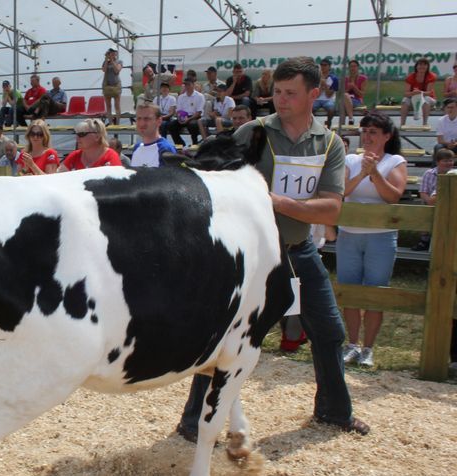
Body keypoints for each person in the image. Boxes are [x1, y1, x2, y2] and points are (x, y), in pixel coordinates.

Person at [177, 56, 370, 442]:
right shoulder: (254, 131)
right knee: (226, 338)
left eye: (290, 93)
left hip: (299, 250)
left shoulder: (329, 143)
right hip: (250, 259)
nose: (280, 100)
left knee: (329, 332)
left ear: (314, 94)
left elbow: (333, 205)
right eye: (277, 92)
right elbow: (215, 178)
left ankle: (334, 411)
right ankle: (194, 420)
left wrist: (277, 203)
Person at [338, 112, 407, 367]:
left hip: (380, 237)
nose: (367, 136)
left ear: (386, 136)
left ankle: (369, 348)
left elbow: (393, 197)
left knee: (376, 292)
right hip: (349, 235)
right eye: (364, 131)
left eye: (373, 132)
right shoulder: (350, 159)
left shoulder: (395, 161)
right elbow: (342, 191)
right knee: (351, 291)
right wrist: (361, 173)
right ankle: (352, 344)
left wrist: (375, 173)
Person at [412, 148, 454, 251]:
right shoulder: (429, 173)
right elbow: (423, 192)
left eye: (451, 160)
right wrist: (430, 202)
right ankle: (424, 241)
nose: (449, 163)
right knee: (424, 211)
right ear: (437, 162)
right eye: (445, 160)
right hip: (431, 203)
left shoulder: (454, 174)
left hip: (450, 205)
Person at [130, 103, 176, 168]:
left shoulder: (165, 149)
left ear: (159, 121)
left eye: (147, 119)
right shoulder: (137, 148)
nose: (142, 123)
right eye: (139, 118)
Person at [168, 72, 206, 146]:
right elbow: (178, 110)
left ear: (193, 85)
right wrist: (179, 118)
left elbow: (199, 112)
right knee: (171, 125)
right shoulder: (181, 97)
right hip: (183, 116)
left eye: (189, 84)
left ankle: (194, 144)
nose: (187, 86)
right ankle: (180, 144)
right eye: (185, 85)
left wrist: (188, 119)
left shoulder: (199, 96)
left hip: (194, 117)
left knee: (192, 125)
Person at [400, 58, 437, 127]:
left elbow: (429, 93)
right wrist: (414, 93)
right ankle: (402, 124)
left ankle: (425, 124)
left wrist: (419, 92)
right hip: (414, 98)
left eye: (424, 65)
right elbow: (406, 93)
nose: (422, 67)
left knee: (426, 99)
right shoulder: (410, 77)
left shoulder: (431, 76)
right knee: (405, 100)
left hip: (428, 98)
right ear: (416, 66)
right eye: (420, 64)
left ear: (427, 66)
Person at [312, 58, 338, 128]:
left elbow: (329, 95)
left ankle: (328, 123)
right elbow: (316, 95)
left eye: (325, 65)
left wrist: (325, 85)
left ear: (329, 66)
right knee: (310, 109)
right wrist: (321, 86)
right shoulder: (316, 78)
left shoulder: (334, 79)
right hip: (317, 100)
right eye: (321, 65)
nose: (323, 67)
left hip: (328, 100)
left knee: (331, 110)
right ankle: (312, 125)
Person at [102, 48, 123, 125]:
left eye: (114, 53)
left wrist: (112, 60)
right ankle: (110, 123)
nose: (112, 54)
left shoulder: (119, 61)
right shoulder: (106, 62)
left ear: (116, 53)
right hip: (107, 85)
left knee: (117, 105)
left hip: (116, 85)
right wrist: (106, 59)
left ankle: (117, 123)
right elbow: (104, 70)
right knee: (108, 106)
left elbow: (117, 70)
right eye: (110, 53)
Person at [343, 60, 367, 126]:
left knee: (343, 105)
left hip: (357, 100)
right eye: (351, 66)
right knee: (343, 102)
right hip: (347, 100)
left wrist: (354, 87)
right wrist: (349, 89)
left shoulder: (363, 78)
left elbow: (362, 94)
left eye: (354, 66)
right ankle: (343, 127)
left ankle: (350, 119)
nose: (352, 68)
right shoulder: (346, 79)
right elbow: (342, 93)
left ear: (358, 67)